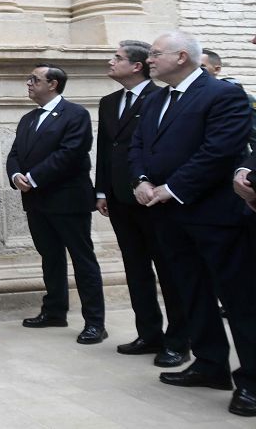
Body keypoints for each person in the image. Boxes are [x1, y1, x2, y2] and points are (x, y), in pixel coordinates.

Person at [130, 31, 256, 417]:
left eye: (154, 54)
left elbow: (218, 151)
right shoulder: (156, 99)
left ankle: (252, 380)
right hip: (167, 215)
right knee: (190, 291)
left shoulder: (222, 94)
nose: (149, 60)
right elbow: (139, 144)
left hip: (214, 216)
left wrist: (172, 188)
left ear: (181, 56)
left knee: (239, 300)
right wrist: (141, 181)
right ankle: (209, 363)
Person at [95, 41, 188, 366]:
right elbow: (106, 150)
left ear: (137, 66)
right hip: (120, 200)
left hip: (153, 199)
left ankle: (178, 340)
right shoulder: (108, 102)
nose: (111, 62)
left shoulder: (161, 98)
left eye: (117, 58)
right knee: (136, 270)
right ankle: (149, 333)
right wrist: (102, 192)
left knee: (169, 270)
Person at [6, 64, 106, 345]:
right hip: (37, 202)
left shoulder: (76, 115)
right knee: (50, 258)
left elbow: (71, 154)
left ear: (53, 84)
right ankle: (54, 311)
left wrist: (34, 177)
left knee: (83, 261)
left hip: (68, 200)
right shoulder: (28, 119)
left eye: (34, 79)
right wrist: (16, 176)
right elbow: (15, 154)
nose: (28, 83)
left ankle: (95, 323)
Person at [199, 48, 256, 152]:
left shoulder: (236, 97)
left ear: (216, 69)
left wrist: (248, 166)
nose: (196, 71)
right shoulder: (181, 95)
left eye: (202, 67)